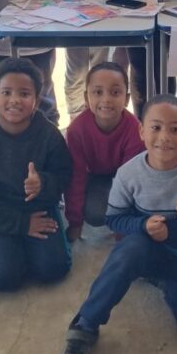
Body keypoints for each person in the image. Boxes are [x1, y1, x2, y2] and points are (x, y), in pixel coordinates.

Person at [55, 94, 177, 354]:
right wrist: (142, 225)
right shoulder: (129, 173)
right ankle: (84, 326)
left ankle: (167, 282)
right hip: (145, 248)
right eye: (156, 128)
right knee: (129, 249)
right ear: (141, 131)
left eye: (175, 129)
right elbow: (114, 218)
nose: (165, 137)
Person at [0, 57, 73, 291]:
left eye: (24, 94)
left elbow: (64, 176)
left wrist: (43, 183)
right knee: (1, 278)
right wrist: (21, 224)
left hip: (39, 208)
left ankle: (19, 250)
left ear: (36, 101)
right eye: (6, 92)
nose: (14, 100)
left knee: (53, 269)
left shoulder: (49, 135)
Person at [64, 62, 144, 241]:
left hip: (122, 178)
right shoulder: (76, 130)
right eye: (98, 92)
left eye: (115, 92)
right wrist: (75, 222)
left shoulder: (135, 130)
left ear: (127, 98)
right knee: (95, 213)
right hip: (92, 176)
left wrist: (122, 223)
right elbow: (75, 177)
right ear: (86, 97)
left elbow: (131, 181)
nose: (106, 99)